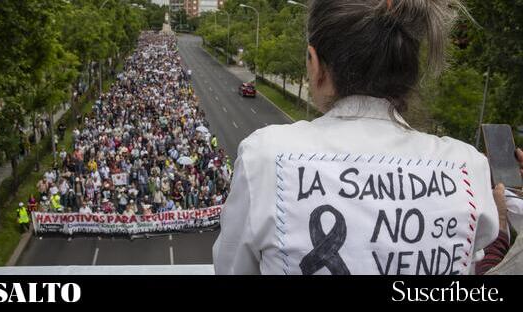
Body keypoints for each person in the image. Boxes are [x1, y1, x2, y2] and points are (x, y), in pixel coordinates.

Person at [213, 0, 501, 275]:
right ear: (410, 71)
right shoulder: (467, 169)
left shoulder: (264, 157)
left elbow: (232, 266)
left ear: (314, 63)